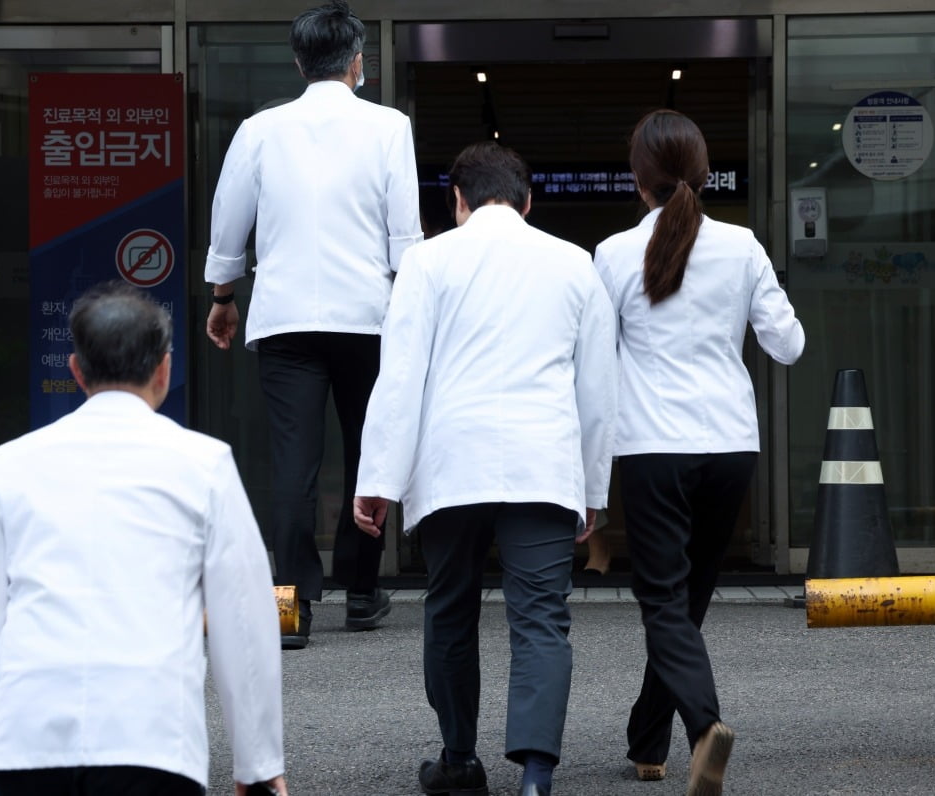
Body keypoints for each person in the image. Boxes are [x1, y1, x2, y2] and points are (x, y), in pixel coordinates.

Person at [0, 282, 288, 796]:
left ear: (76, 371)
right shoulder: (205, 465)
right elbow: (243, 618)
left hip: (23, 742)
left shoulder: (8, 465)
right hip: (152, 741)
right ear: (164, 369)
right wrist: (258, 760)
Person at [353, 142, 617, 796]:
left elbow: (401, 375)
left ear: (457, 201)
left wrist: (377, 479)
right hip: (544, 461)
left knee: (449, 609)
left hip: (451, 462)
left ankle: (459, 759)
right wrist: (593, 486)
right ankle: (534, 775)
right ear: (529, 203)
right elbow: (598, 388)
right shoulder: (574, 264)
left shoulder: (427, 260)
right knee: (541, 619)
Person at [593, 109, 805, 795]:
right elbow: (788, 345)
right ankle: (647, 743)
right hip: (730, 444)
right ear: (703, 170)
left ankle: (704, 727)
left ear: (638, 176)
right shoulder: (743, 247)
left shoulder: (613, 254)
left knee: (663, 601)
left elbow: (595, 368)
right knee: (686, 604)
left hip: (653, 446)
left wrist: (587, 474)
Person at [204, 0, 423, 651]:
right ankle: (361, 593)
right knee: (367, 451)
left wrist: (223, 294)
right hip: (368, 318)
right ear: (358, 63)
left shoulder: (260, 128)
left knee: (293, 463)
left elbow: (228, 218)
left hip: (286, 317)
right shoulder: (389, 128)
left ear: (300, 62)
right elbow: (404, 235)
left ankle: (290, 605)